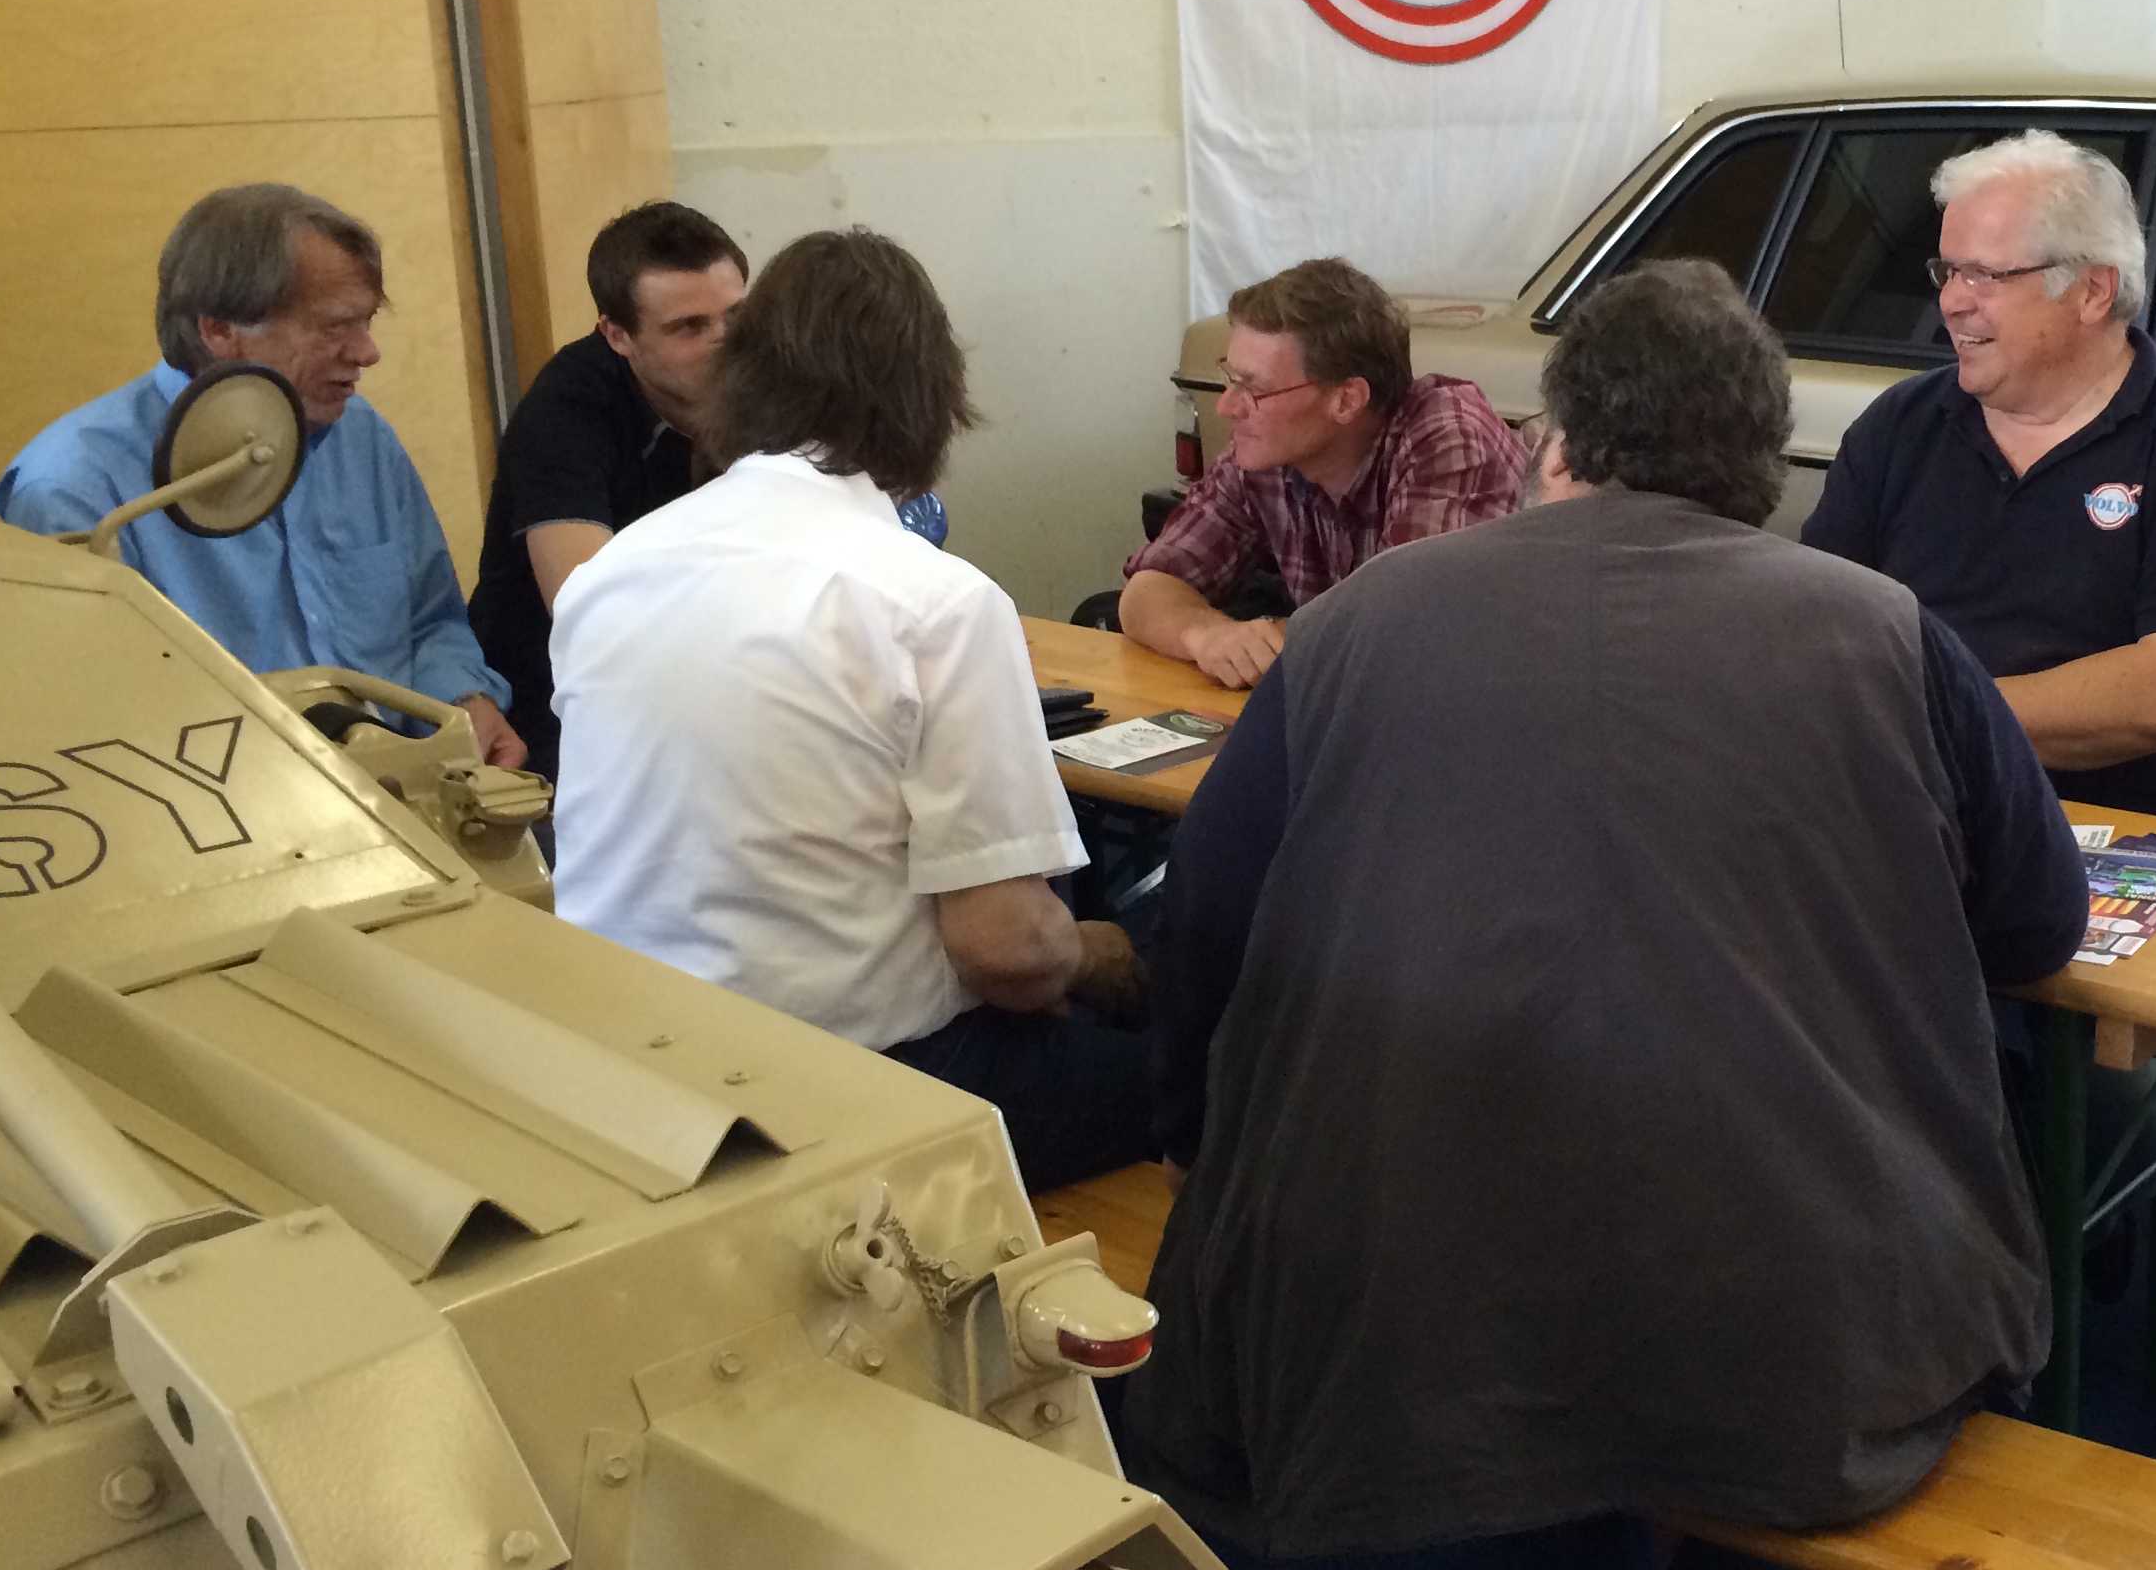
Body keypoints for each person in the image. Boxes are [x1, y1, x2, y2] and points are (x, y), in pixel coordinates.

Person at [1130, 261, 2085, 1570]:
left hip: (1388, 1330)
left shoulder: (1352, 625)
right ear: (1765, 464)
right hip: (1806, 1356)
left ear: (1557, 442)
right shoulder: (1888, 634)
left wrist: (1193, 1140)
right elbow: (2038, 928)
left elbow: (1206, 918)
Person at [549, 227, 1150, 1186]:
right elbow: (1005, 953)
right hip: (846, 1090)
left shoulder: (609, 573)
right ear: (929, 399)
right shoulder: (936, 601)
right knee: (1200, 1066)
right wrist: (1100, 958)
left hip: (626, 1065)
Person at [1803, 129, 2156, 827]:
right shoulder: (1899, 427)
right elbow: (1816, 635)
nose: (1953, 302)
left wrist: (1932, 712)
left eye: (1985, 275)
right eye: (1948, 272)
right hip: (1919, 819)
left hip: (2133, 841)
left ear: (2093, 291)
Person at [0, 183, 521, 765]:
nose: (367, 353)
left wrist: (466, 700)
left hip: (407, 786)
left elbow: (429, 622)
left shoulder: (361, 435)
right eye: (334, 326)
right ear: (219, 330)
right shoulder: (76, 488)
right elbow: (87, 733)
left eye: (367, 322)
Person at [1117, 257, 1522, 687]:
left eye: (1253, 388)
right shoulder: (1267, 456)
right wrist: (1208, 635)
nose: (1227, 406)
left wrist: (1268, 639)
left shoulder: (1449, 439)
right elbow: (1146, 590)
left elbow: (1409, 636)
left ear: (1346, 401)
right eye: (1231, 380)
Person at [467, 201, 747, 782]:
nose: (727, 344)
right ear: (617, 335)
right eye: (689, 327)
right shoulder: (565, 412)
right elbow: (592, 615)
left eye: (737, 317)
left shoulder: (767, 379)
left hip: (706, 695)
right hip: (558, 726)